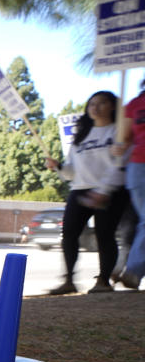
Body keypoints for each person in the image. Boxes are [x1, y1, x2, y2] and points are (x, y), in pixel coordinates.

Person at [45, 90, 130, 294]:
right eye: (91, 104)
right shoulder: (80, 137)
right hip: (81, 190)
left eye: (101, 103)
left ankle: (103, 281)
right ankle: (69, 280)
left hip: (110, 192)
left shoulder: (118, 132)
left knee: (104, 235)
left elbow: (120, 166)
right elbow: (71, 173)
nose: (95, 107)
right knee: (69, 234)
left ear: (112, 106)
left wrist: (104, 191)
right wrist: (58, 167)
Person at [111, 76, 145, 290]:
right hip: (139, 165)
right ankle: (132, 270)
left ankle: (132, 269)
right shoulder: (135, 104)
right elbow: (123, 138)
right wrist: (120, 146)